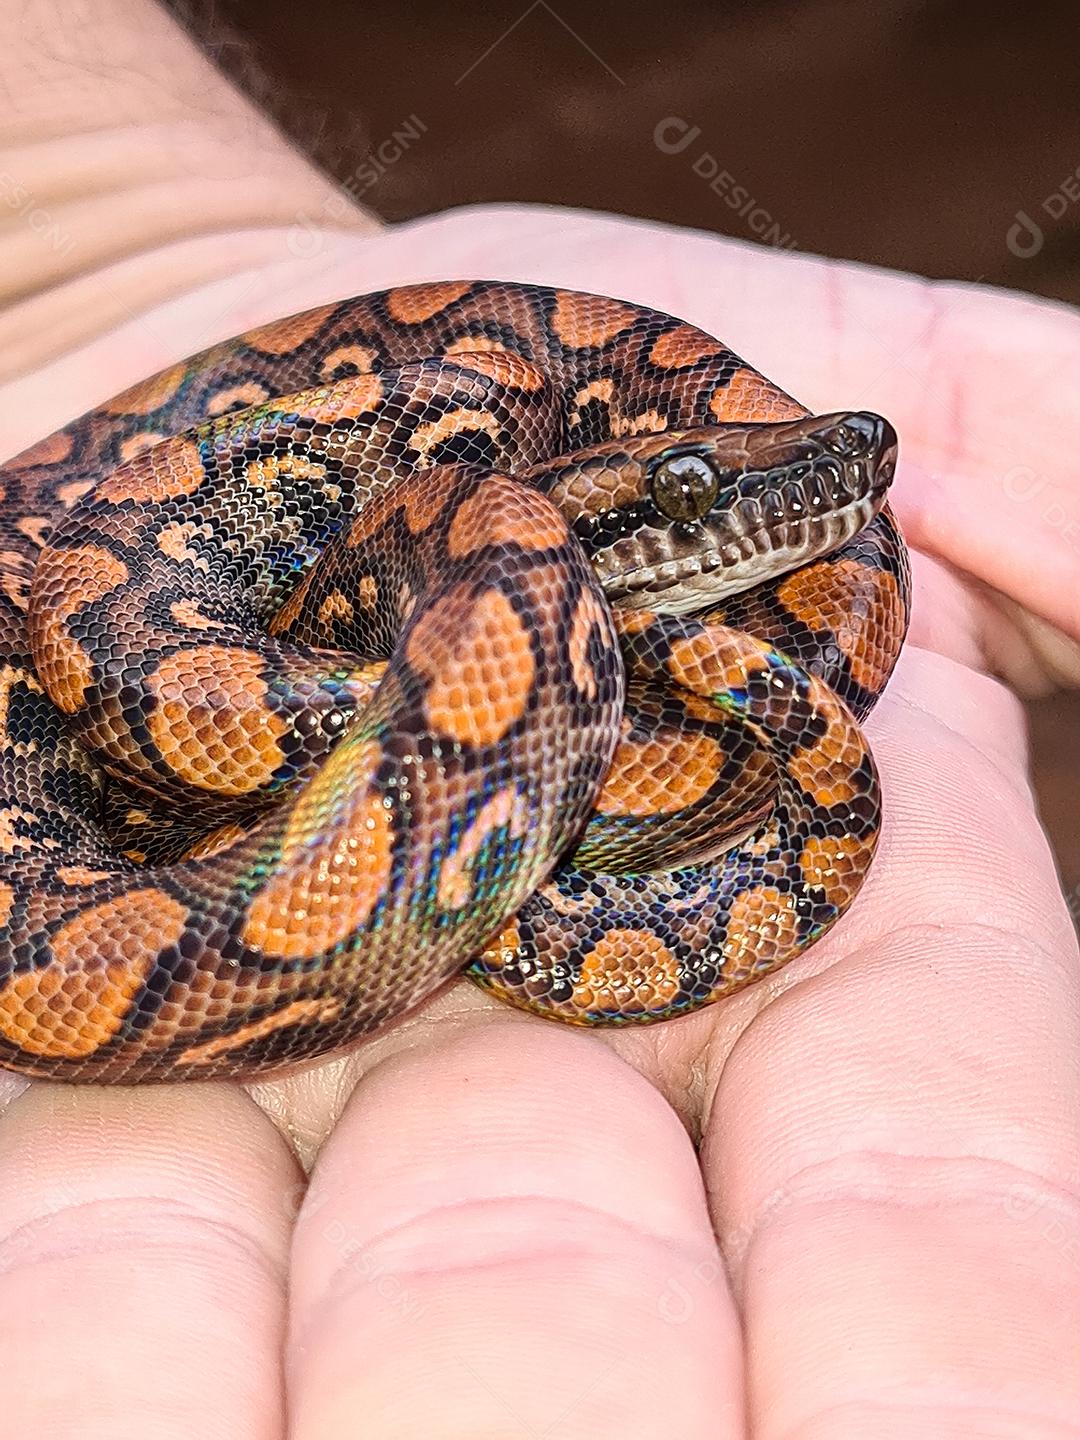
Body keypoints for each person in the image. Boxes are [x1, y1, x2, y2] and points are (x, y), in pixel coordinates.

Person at [1, 3, 1077, 1435]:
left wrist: (105, 227)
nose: (846, 452)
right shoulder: (466, 553)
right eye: (693, 494)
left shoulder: (512, 522)